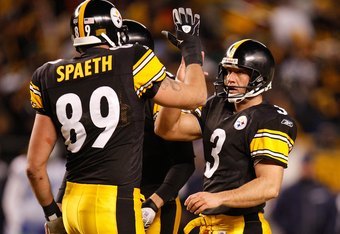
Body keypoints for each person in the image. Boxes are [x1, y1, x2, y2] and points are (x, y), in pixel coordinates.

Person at [26, 0, 206, 233]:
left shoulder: (47, 74)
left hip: (72, 204)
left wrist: (52, 213)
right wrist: (191, 48)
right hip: (113, 202)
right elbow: (197, 95)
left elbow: (34, 167)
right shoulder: (131, 60)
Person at [155, 39, 298, 233]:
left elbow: (269, 185)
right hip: (211, 224)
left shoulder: (270, 119)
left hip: (243, 225)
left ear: (260, 77)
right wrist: (179, 86)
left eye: (239, 72)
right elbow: (167, 129)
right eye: (229, 71)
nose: (230, 78)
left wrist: (219, 197)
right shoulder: (218, 105)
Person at [271, 153, 338, 234]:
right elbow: (277, 214)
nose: (308, 169)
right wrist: (289, 229)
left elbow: (332, 215)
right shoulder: (290, 192)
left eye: (310, 166)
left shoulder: (324, 191)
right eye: (305, 166)